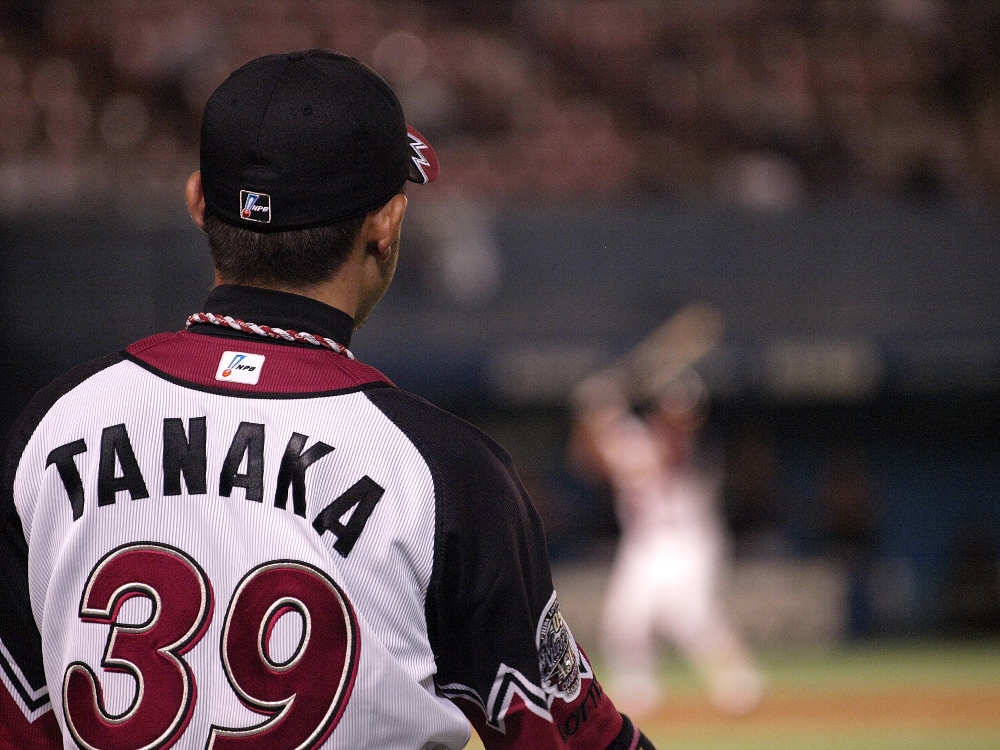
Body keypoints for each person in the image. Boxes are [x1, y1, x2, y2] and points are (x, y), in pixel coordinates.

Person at [0, 50, 656, 750]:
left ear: (197, 201)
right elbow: (574, 739)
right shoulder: (446, 473)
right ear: (387, 224)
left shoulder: (52, 424)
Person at [569, 307, 763, 718]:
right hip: (648, 544)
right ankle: (640, 696)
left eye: (685, 413)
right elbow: (588, 460)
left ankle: (738, 685)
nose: (681, 418)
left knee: (689, 616)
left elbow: (657, 457)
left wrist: (606, 406)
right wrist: (595, 412)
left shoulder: (682, 447)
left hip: (688, 542)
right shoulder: (635, 436)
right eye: (673, 410)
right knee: (625, 621)